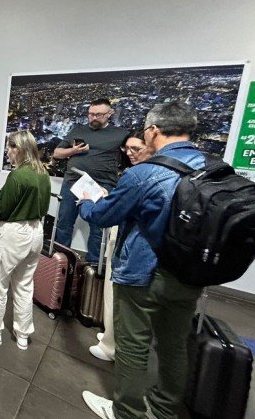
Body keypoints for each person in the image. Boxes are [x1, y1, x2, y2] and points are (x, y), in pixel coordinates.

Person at [76, 101, 205, 419]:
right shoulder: (209, 166)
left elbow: (106, 215)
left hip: (144, 273)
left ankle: (127, 412)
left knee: (133, 344)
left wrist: (85, 204)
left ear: (153, 131)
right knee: (174, 345)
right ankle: (164, 411)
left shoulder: (145, 173)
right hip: (189, 273)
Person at [0, 130, 51, 350]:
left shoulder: (17, 176)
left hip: (13, 233)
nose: (8, 151)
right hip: (36, 232)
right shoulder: (42, 173)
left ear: (21, 149)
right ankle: (23, 334)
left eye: (11, 147)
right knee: (25, 284)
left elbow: (2, 209)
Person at [89, 130, 154, 362]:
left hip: (128, 245)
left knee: (116, 295)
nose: (130, 153)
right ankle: (111, 337)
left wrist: (88, 204)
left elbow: (105, 215)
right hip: (143, 250)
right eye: (127, 149)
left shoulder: (137, 176)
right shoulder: (162, 174)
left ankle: (111, 345)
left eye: (136, 149)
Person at [52, 99, 128, 262]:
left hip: (103, 185)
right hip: (73, 182)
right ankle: (61, 262)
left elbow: (132, 157)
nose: (93, 118)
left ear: (110, 114)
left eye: (98, 115)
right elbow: (57, 153)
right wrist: (73, 150)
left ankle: (94, 264)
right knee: (64, 222)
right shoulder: (78, 130)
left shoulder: (120, 134)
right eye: (91, 114)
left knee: (98, 228)